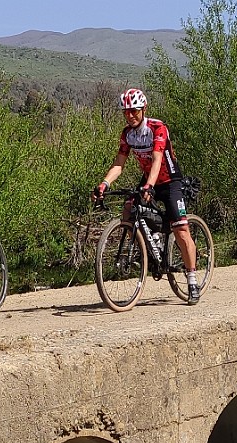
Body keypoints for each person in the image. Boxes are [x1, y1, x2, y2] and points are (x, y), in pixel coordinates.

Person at [93, 88, 201, 304]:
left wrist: (150, 185)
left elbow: (157, 157)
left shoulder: (157, 128)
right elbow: (119, 163)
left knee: (180, 229)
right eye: (126, 112)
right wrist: (104, 183)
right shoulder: (127, 134)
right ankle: (144, 243)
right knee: (129, 206)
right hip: (149, 180)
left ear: (143, 109)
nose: (130, 115)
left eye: (134, 111)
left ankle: (192, 279)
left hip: (169, 181)